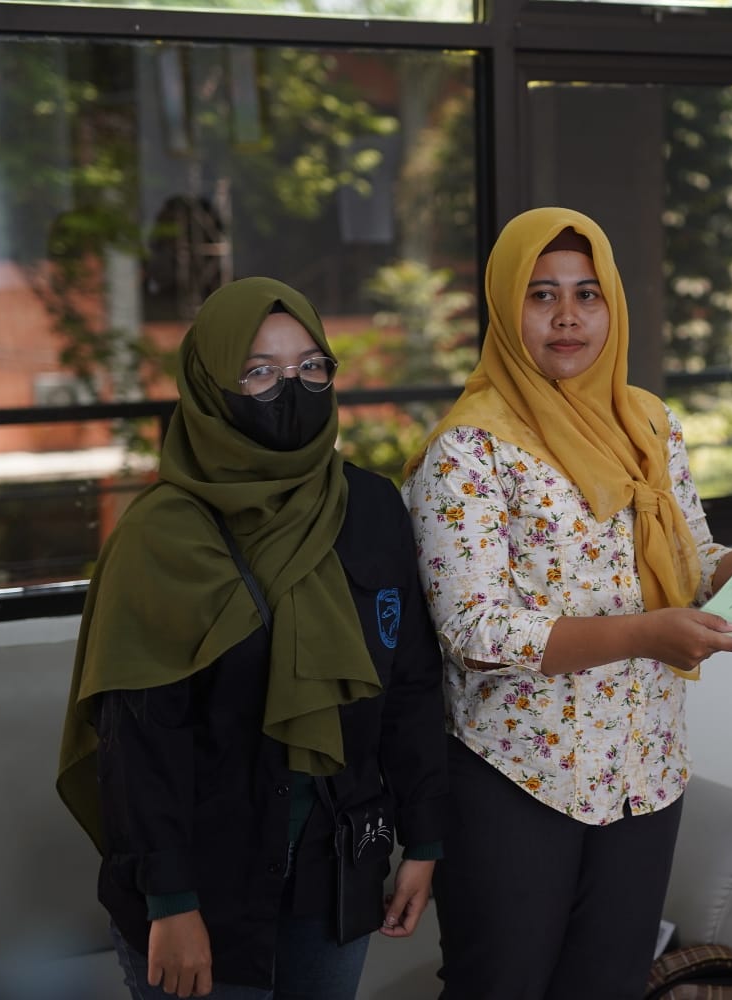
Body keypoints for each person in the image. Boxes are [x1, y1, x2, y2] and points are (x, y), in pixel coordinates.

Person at [402, 206, 732, 1000]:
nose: (568, 316)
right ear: (505, 309)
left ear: (613, 304)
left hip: (644, 768)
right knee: (501, 985)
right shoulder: (470, 447)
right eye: (542, 294)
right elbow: (474, 631)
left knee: (612, 984)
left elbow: (689, 560)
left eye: (587, 294)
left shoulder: (647, 422)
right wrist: (643, 635)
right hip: (515, 775)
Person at [57, 277, 447, 1000]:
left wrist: (424, 840)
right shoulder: (159, 537)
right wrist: (170, 902)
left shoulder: (369, 508)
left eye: (311, 366)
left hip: (335, 878)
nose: (292, 388)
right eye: (259, 372)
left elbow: (412, 687)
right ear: (210, 388)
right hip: (206, 890)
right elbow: (138, 743)